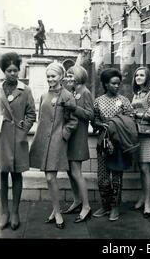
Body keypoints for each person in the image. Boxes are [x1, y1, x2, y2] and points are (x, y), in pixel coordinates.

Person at [29, 62, 78, 229]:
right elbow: (41, 117)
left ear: (61, 77)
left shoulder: (67, 95)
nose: (50, 79)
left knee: (50, 177)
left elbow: (73, 120)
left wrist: (63, 134)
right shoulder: (44, 95)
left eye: (53, 76)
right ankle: (55, 210)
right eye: (48, 76)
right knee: (49, 178)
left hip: (58, 140)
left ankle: (57, 213)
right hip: (44, 141)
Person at [0, 52, 36, 230]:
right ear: (3, 71)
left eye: (15, 70)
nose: (13, 74)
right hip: (1, 137)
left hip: (18, 138)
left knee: (17, 174)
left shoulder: (25, 90)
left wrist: (23, 130)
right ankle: (4, 211)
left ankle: (15, 212)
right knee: (2, 174)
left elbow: (31, 114)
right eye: (9, 70)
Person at [92, 68, 134, 222]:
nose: (117, 86)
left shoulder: (124, 101)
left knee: (116, 176)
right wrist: (101, 124)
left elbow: (131, 120)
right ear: (105, 84)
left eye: (118, 83)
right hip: (103, 142)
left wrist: (117, 124)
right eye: (113, 83)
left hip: (119, 143)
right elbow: (94, 121)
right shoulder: (98, 101)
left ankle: (115, 207)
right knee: (102, 176)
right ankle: (105, 205)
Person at [62, 65, 94, 222]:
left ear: (79, 76)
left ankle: (86, 206)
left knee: (76, 171)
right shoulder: (74, 92)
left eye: (70, 76)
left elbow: (90, 115)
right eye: (67, 76)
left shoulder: (85, 92)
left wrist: (74, 108)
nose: (68, 79)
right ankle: (77, 200)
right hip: (71, 136)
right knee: (70, 171)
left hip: (79, 137)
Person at [131, 67, 150, 218]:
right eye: (137, 75)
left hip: (147, 134)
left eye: (142, 75)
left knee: (145, 168)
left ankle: (148, 202)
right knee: (141, 168)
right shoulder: (136, 93)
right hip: (136, 133)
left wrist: (135, 113)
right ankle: (143, 197)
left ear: (147, 77)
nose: (138, 77)